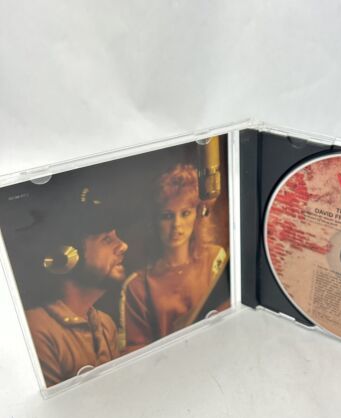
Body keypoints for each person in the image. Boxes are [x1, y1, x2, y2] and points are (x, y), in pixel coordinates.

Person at [26, 188, 128, 387]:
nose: (123, 246)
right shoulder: (37, 328)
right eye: (107, 239)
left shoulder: (105, 324)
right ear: (66, 257)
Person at [121, 163, 227, 353]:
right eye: (167, 216)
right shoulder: (138, 285)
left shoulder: (214, 259)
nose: (177, 224)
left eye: (185, 213)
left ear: (197, 214)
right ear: (154, 220)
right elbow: (136, 349)